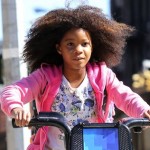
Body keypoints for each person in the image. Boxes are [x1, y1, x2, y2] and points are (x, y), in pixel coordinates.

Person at [0, 5, 150, 150]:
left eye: (85, 44)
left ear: (92, 47)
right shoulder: (45, 76)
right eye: (70, 44)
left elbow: (126, 97)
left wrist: (144, 111)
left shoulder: (103, 75)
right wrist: (16, 108)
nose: (78, 50)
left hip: (96, 146)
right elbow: (12, 91)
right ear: (59, 48)